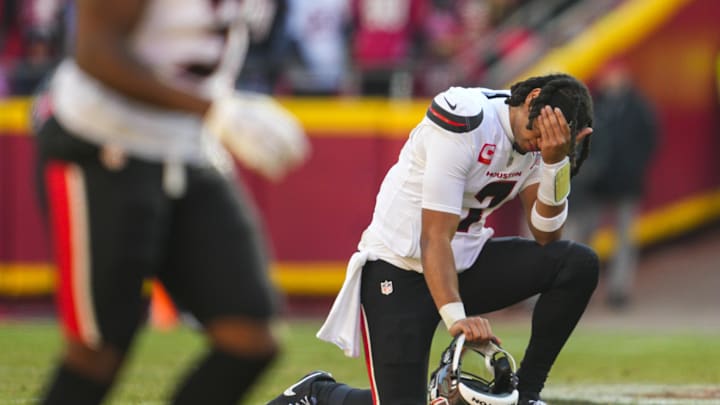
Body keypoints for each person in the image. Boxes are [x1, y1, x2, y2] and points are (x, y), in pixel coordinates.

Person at [33, 0, 309, 404]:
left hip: (188, 147)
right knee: (97, 354)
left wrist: (215, 108)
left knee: (249, 337)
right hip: (104, 143)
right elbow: (95, 51)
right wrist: (215, 110)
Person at [268, 73, 598, 405]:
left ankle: (527, 394)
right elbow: (434, 235)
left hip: (463, 265)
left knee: (576, 264)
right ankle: (320, 394)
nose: (539, 144)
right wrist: (458, 319)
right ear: (532, 98)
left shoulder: (545, 142)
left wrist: (556, 165)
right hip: (399, 270)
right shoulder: (467, 119)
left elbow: (547, 233)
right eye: (537, 135)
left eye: (549, 142)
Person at [564, 61, 658, 309]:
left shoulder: (638, 107)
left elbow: (650, 140)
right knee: (584, 237)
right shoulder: (594, 106)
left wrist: (633, 167)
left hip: (626, 183)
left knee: (625, 238)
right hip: (596, 183)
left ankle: (619, 289)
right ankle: (578, 287)